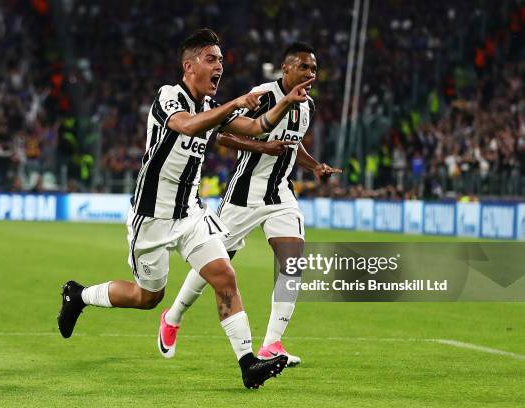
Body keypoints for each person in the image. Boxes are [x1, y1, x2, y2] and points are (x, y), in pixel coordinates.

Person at [57, 29, 314, 389]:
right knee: (147, 297)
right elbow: (186, 126)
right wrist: (236, 102)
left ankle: (248, 364)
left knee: (225, 277)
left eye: (221, 60)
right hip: (152, 217)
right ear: (189, 65)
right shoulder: (169, 96)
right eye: (212, 59)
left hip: (190, 215)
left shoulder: (212, 108)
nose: (219, 65)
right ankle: (79, 295)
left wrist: (286, 101)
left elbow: (257, 127)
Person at [159, 42, 341, 366]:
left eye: (314, 69)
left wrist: (314, 166)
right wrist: (261, 148)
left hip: (280, 194)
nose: (310, 74)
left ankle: (272, 344)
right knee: (213, 265)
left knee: (293, 262)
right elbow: (222, 135)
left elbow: (292, 144)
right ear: (286, 69)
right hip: (244, 194)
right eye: (304, 67)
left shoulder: (307, 106)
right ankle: (172, 317)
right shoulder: (263, 96)